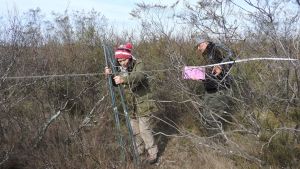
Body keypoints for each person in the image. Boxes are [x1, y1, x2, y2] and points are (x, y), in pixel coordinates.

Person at [104, 42, 159, 164]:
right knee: (135, 130)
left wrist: (123, 78)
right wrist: (110, 75)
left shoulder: (139, 63)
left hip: (144, 102)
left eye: (123, 60)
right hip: (131, 105)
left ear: (128, 57)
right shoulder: (120, 68)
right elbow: (115, 83)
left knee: (145, 130)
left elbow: (139, 76)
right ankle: (139, 151)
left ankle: (153, 154)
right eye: (119, 61)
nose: (121, 63)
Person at [194, 35, 235, 138]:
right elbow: (212, 73)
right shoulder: (208, 54)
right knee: (205, 113)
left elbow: (231, 57)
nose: (198, 48)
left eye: (199, 45)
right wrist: (197, 74)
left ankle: (217, 141)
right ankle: (213, 137)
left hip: (220, 90)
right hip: (212, 90)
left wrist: (221, 65)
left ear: (205, 42)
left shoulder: (214, 50)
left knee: (210, 116)